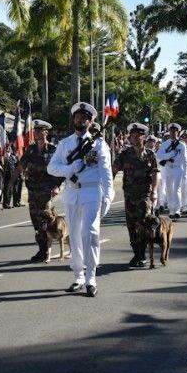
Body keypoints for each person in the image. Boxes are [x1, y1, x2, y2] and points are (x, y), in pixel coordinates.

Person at [47, 102, 114, 297]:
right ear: (74, 119)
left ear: (91, 121)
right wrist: (70, 169)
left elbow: (106, 173)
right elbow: (52, 168)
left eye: (85, 117)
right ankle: (78, 275)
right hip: (72, 193)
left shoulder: (99, 145)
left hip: (92, 193)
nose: (81, 120)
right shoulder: (65, 144)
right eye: (77, 117)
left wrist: (108, 196)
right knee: (74, 235)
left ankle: (91, 276)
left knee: (90, 233)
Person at [9, 119, 62, 262]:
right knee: (35, 222)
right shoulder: (30, 150)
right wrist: (11, 182)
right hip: (33, 192)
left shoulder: (53, 150)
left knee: (45, 220)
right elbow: (20, 166)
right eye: (35, 130)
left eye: (40, 130)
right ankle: (42, 249)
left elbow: (60, 170)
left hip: (46, 191)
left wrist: (57, 186)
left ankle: (45, 251)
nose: (37, 133)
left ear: (46, 132)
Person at [112, 123, 158, 268]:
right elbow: (113, 170)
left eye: (138, 136)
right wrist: (107, 187)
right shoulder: (125, 154)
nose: (135, 138)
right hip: (129, 196)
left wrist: (154, 191)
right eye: (132, 136)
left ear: (144, 137)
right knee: (131, 225)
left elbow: (155, 173)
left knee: (143, 224)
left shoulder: (150, 154)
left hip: (144, 195)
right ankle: (137, 253)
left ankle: (142, 254)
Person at [156, 123, 186, 220]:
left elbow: (185, 160)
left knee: (176, 189)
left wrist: (185, 173)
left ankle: (177, 209)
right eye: (171, 131)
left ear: (178, 132)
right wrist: (170, 154)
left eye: (175, 131)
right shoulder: (165, 144)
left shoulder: (182, 145)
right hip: (168, 168)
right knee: (169, 189)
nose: (173, 132)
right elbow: (159, 155)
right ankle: (171, 209)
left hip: (178, 168)